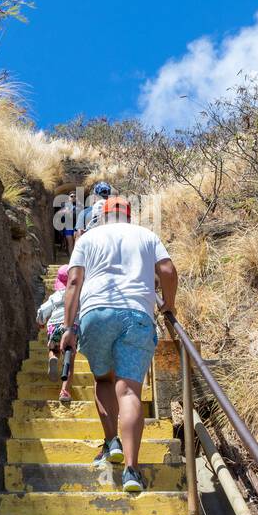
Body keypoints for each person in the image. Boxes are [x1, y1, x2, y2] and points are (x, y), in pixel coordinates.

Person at [61, 196, 178, 491]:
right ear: (128, 215)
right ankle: (131, 470)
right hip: (137, 315)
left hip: (95, 314)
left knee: (103, 380)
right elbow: (167, 270)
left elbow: (73, 282)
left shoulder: (88, 238)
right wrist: (169, 306)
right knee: (128, 391)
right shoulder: (146, 235)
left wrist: (67, 328)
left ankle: (111, 440)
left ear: (102, 216)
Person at [36, 264, 77, 402]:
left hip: (54, 326)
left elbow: (42, 311)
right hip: (71, 327)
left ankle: (53, 357)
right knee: (69, 360)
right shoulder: (77, 294)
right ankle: (64, 391)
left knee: (53, 349)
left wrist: (41, 322)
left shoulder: (55, 296)